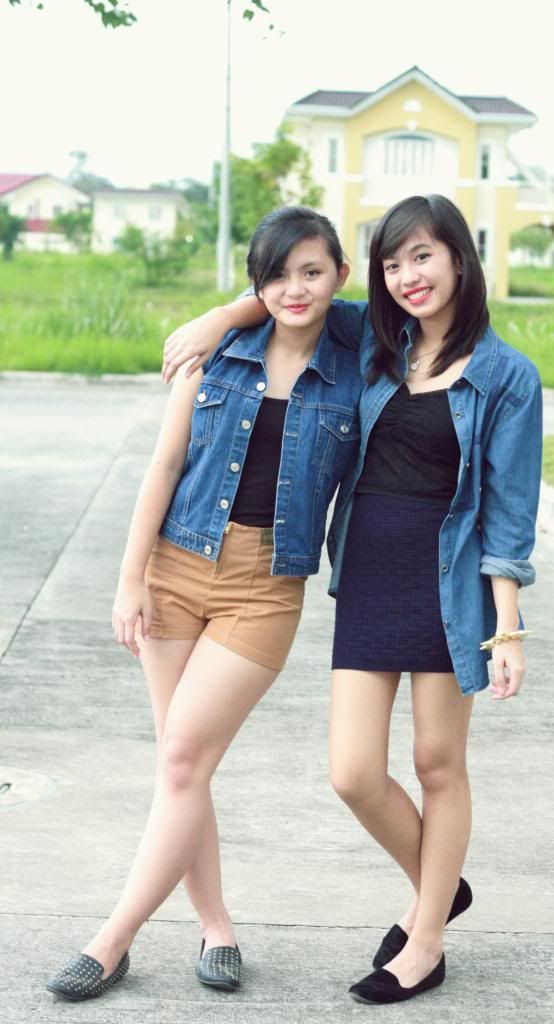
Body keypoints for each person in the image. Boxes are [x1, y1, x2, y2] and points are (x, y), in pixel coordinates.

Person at [161, 194, 543, 1005]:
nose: (408, 276)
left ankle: (425, 940)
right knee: (353, 773)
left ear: (459, 258)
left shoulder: (508, 376)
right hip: (369, 576)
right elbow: (292, 293)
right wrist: (218, 318)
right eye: (393, 263)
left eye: (423, 257)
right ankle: (440, 886)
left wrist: (508, 628)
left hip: (449, 588)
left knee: (437, 764)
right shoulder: (373, 339)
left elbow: (510, 517)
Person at [46, 206, 364, 1001]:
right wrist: (129, 579)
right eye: (276, 276)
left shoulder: (361, 356)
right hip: (176, 566)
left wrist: (229, 306)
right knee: (183, 765)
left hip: (265, 586)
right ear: (257, 281)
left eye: (312, 271)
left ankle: (111, 940)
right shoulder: (215, 354)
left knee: (185, 757)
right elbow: (164, 466)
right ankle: (217, 927)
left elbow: (411, 312)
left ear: (341, 274)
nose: (295, 289)